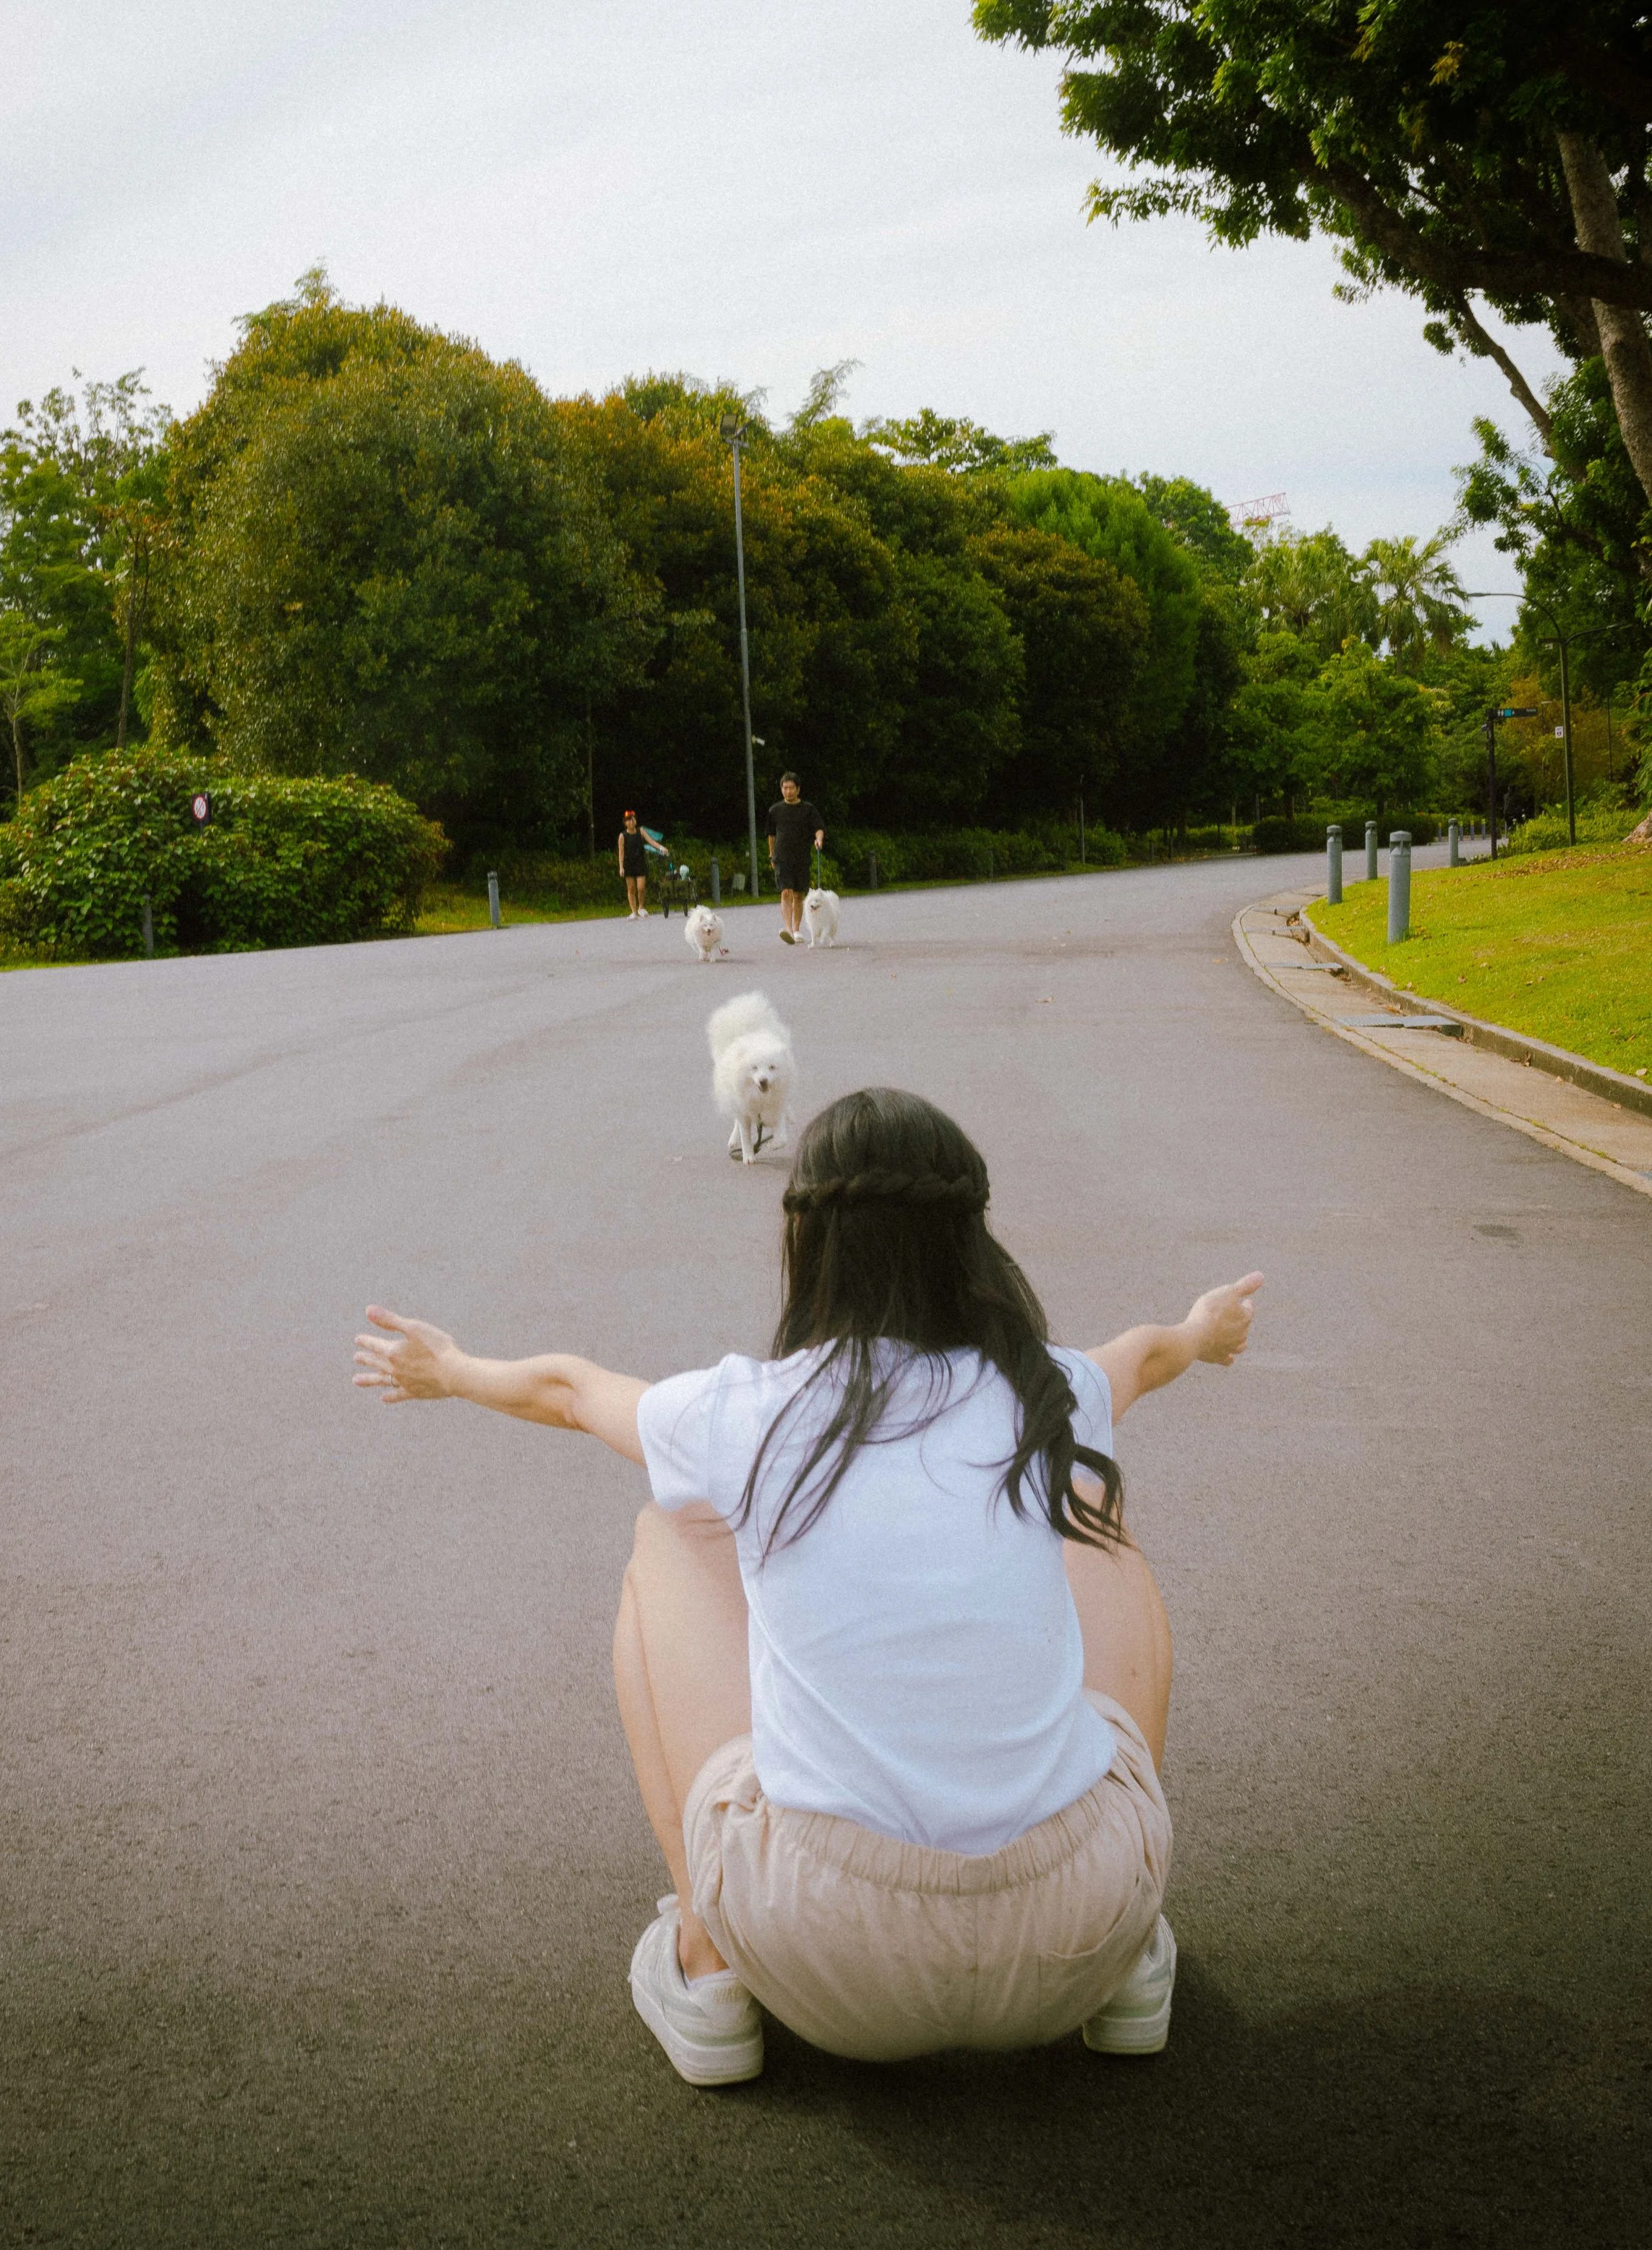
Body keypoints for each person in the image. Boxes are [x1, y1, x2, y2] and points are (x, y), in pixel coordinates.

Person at [354, 1085, 1262, 2087]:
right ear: (970, 1238)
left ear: (808, 1241)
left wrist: (452, 1368)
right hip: (1072, 1933)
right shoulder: (1049, 1389)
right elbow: (1148, 1352)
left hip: (823, 1952)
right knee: (1091, 1500)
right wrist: (1205, 1327)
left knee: (669, 1531)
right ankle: (1133, 1960)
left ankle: (707, 1969)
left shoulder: (749, 1410)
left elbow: (571, 1390)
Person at [766, 773, 823, 944]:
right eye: (785, 788)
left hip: (802, 857)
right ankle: (788, 929)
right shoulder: (774, 810)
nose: (788, 791)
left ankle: (797, 929)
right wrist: (771, 855)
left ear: (798, 789)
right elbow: (771, 835)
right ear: (781, 789)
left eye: (791, 788)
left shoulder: (808, 809)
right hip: (782, 857)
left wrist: (819, 839)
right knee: (785, 892)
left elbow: (819, 828)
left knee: (798, 895)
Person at [617, 809, 650, 918]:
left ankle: (641, 907)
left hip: (640, 862)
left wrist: (660, 847)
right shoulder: (623, 835)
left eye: (632, 819)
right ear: (625, 823)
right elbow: (621, 852)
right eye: (628, 820)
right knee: (631, 889)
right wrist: (621, 867)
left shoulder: (640, 831)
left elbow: (651, 841)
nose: (631, 822)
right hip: (628, 864)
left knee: (641, 887)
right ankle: (634, 912)